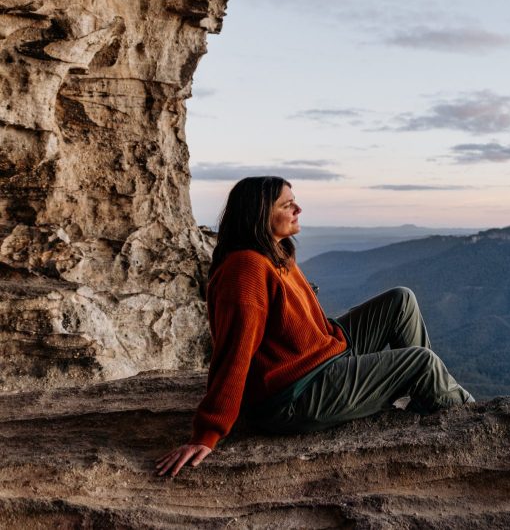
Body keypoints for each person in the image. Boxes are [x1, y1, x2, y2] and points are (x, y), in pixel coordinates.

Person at [155, 176, 472, 477]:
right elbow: (234, 353)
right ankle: (469, 421)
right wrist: (208, 433)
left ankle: (427, 398)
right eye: (286, 205)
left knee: (400, 301)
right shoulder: (247, 270)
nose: (298, 209)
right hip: (293, 395)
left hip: (317, 358)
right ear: (260, 214)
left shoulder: (275, 253)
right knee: (421, 362)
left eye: (295, 202)